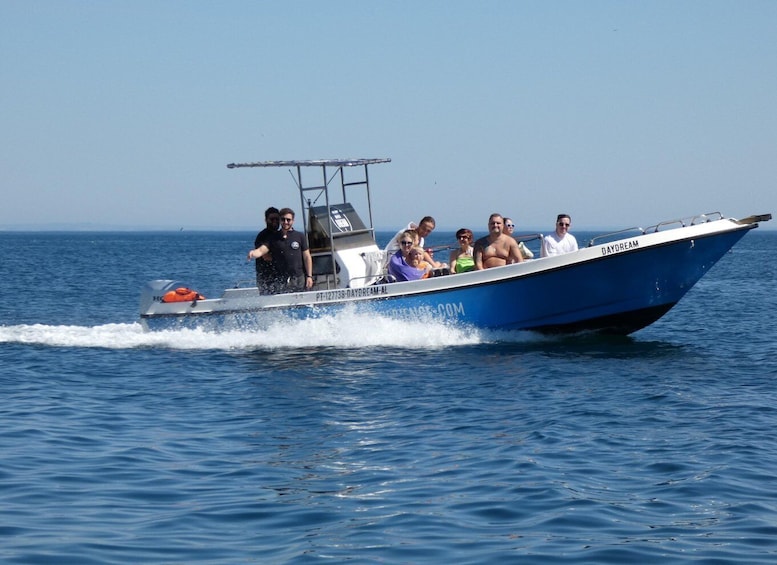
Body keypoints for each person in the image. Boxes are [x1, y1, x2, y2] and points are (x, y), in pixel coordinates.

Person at [247, 208, 314, 292]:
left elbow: (307, 257)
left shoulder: (300, 236)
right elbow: (261, 250)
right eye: (283, 219)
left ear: (293, 221)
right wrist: (253, 253)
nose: (286, 222)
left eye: (288, 220)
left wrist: (309, 276)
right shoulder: (273, 237)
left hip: (298, 277)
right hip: (280, 278)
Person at [253, 206, 280, 294]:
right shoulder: (262, 236)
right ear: (266, 220)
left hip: (280, 276)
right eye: (272, 219)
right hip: (266, 277)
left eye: (277, 219)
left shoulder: (280, 235)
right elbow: (266, 256)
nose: (275, 221)